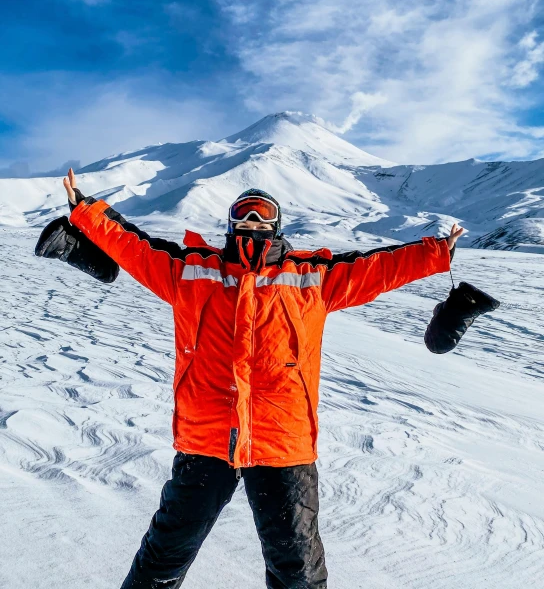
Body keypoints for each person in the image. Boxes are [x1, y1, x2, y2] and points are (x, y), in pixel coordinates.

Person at [63, 168, 464, 589]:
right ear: (231, 224)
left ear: (276, 226)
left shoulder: (311, 277)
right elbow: (134, 247)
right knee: (164, 554)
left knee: (298, 567)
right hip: (207, 437)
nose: (252, 225)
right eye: (244, 217)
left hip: (281, 441)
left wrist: (434, 253)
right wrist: (84, 210)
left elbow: (377, 266)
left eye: (261, 218)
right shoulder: (192, 271)